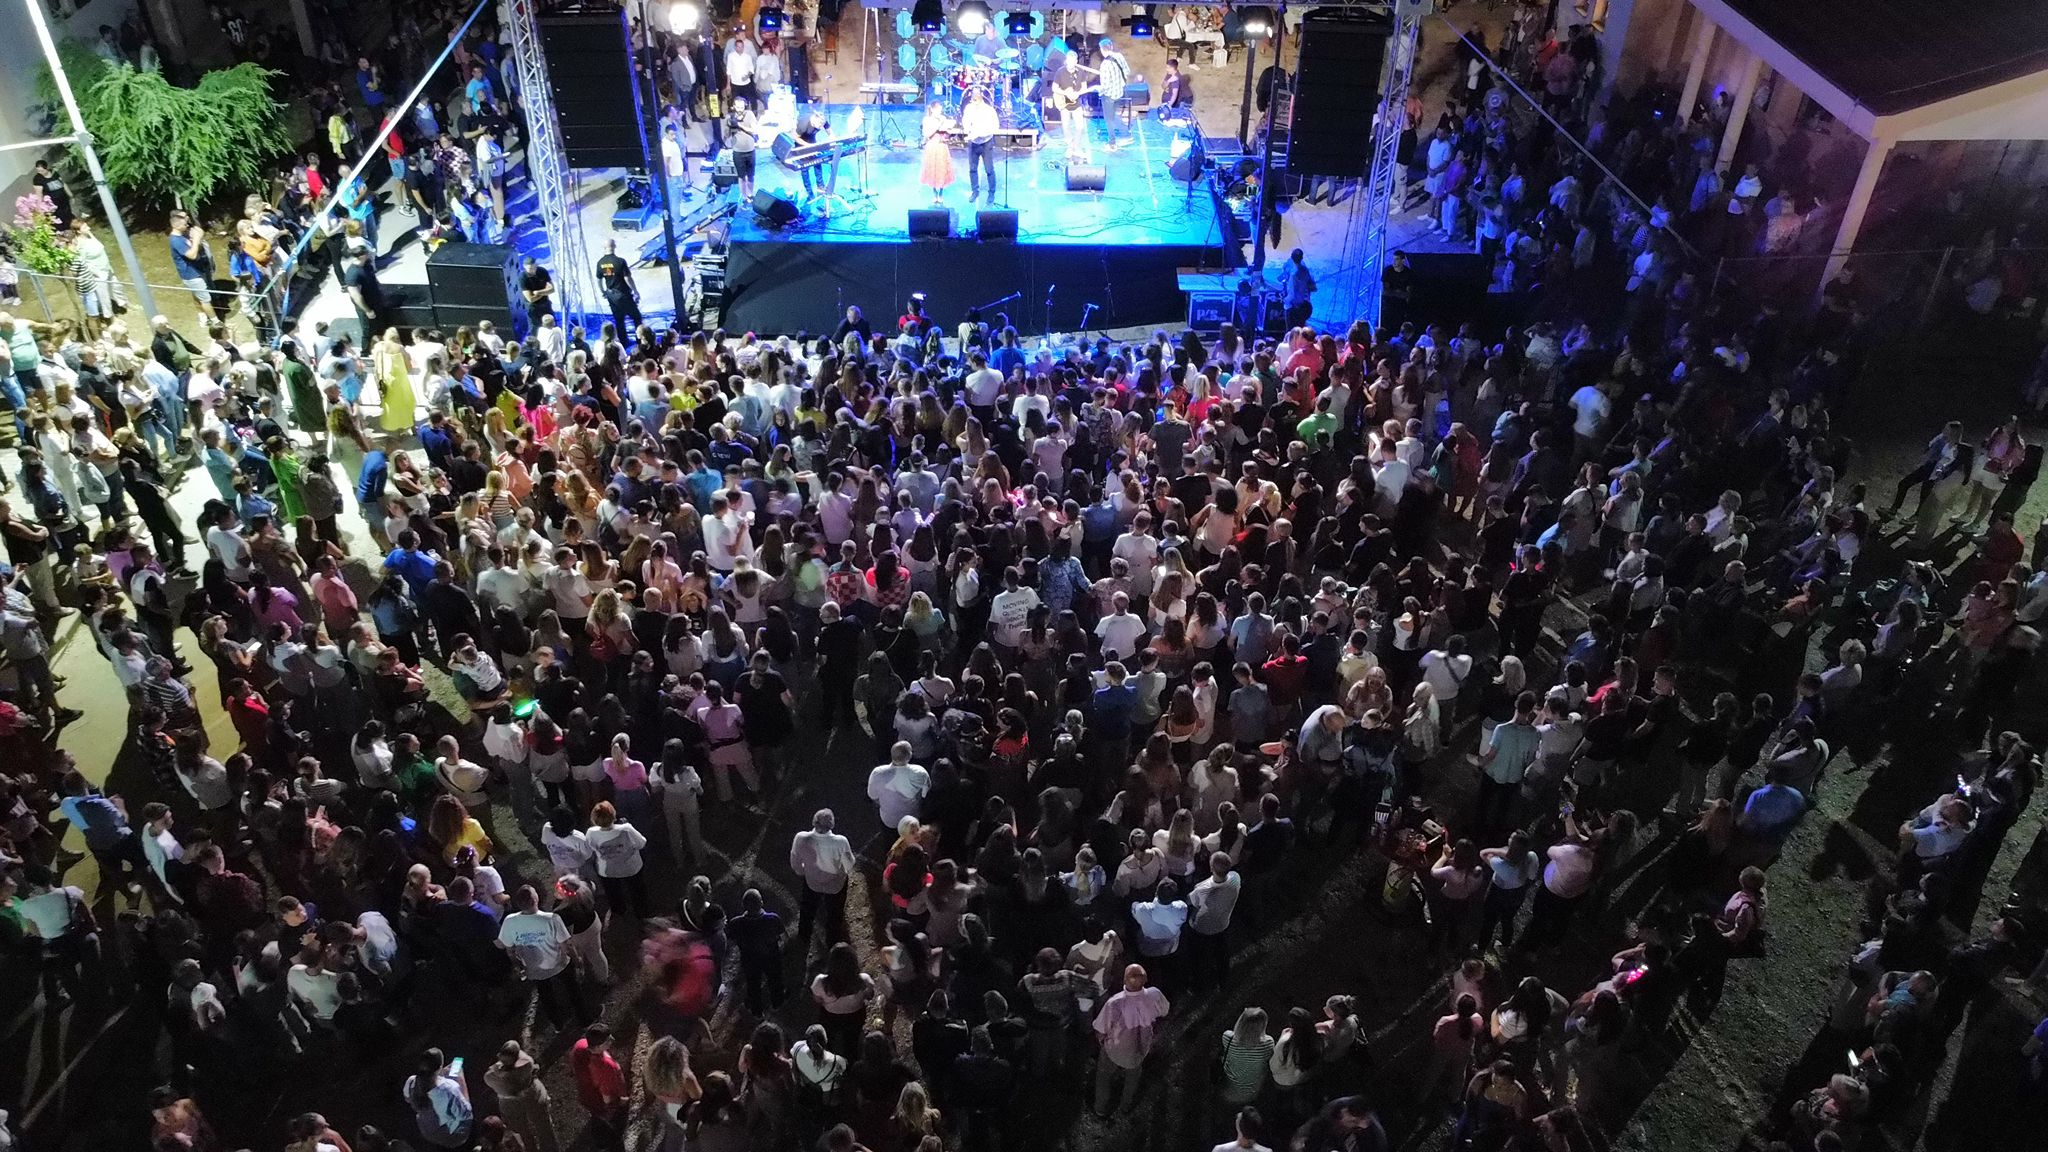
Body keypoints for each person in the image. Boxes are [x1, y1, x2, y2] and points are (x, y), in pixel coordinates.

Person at [1091, 963, 1169, 1116]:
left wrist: (1101, 1040)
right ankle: (1125, 1105)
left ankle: (1100, 1107)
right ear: (1145, 979)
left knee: (1103, 1076)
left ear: (1124, 980)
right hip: (1139, 1051)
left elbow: (1101, 1028)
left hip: (1114, 1050)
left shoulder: (1115, 1002)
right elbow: (1165, 1010)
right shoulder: (1155, 994)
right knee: (1132, 1078)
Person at [789, 807, 854, 957]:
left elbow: (795, 863)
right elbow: (849, 865)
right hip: (835, 885)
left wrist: (803, 872)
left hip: (812, 882)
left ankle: (804, 935)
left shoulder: (801, 838)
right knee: (834, 913)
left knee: (807, 909)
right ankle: (832, 941)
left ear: (814, 822)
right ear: (832, 824)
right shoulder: (841, 842)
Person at [402, 1048, 474, 1149]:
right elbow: (466, 1114)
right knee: (457, 1071)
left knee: (450, 1073)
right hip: (453, 1136)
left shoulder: (411, 1081)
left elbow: (407, 1098)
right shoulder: (449, 1088)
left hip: (428, 1132)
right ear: (440, 1067)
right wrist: (459, 1081)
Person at [960, 91, 1000, 205]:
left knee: (989, 169)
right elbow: (966, 121)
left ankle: (991, 193)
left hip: (986, 143)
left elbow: (995, 127)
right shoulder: (969, 108)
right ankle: (975, 191)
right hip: (973, 142)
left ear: (980, 101)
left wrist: (980, 133)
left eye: (976, 103)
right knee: (973, 168)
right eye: (972, 102)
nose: (974, 105)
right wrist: (968, 130)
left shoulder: (989, 111)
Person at [919, 101, 956, 206]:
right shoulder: (927, 120)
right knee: (933, 169)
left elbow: (946, 134)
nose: (939, 112)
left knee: (942, 169)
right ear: (932, 110)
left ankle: (941, 193)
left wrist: (948, 132)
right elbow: (927, 134)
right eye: (938, 110)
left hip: (941, 146)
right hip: (932, 146)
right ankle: (934, 193)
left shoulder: (943, 118)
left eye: (940, 110)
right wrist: (938, 125)